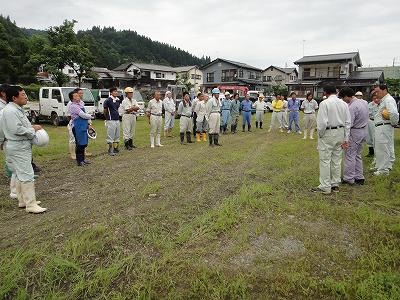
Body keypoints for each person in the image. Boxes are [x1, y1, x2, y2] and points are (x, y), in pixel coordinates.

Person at [0, 86, 47, 213]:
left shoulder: (16, 109)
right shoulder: (10, 111)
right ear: (14, 98)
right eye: (23, 94)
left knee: (20, 173)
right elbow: (17, 129)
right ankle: (31, 204)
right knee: (26, 174)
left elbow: (21, 126)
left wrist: (31, 126)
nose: (25, 96)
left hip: (20, 145)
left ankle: (23, 200)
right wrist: (33, 130)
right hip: (18, 146)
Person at [311, 85, 351, 194]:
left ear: (325, 93)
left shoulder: (324, 103)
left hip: (328, 132)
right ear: (336, 92)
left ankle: (325, 186)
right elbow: (348, 122)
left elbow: (322, 123)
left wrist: (320, 134)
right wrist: (346, 138)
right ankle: (335, 184)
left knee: (325, 160)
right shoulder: (344, 103)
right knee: (337, 160)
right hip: (340, 132)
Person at [339, 87, 369, 185]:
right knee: (357, 155)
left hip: (355, 132)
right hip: (363, 130)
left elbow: (349, 124)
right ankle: (359, 177)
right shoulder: (364, 102)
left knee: (350, 156)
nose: (343, 100)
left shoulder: (352, 107)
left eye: (343, 98)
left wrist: (345, 139)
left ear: (347, 96)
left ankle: (349, 178)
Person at [372, 84, 399, 176]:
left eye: (377, 91)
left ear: (384, 90)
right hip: (382, 126)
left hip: (384, 126)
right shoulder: (385, 100)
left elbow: (394, 113)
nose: (376, 94)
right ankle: (383, 166)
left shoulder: (388, 99)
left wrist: (394, 123)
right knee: (384, 147)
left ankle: (383, 170)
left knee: (383, 148)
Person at [68, 90, 94, 166]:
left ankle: (83, 159)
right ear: (72, 99)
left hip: (83, 126)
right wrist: (91, 116)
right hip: (77, 127)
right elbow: (82, 115)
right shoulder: (73, 106)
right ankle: (79, 161)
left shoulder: (80, 105)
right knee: (79, 144)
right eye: (75, 96)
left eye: (78, 95)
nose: (78, 97)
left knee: (83, 143)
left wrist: (88, 122)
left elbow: (84, 115)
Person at [0, 83, 17, 199]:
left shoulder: (7, 106)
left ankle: (16, 190)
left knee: (15, 166)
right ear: (3, 93)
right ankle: (14, 191)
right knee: (14, 166)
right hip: (7, 139)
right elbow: (1, 127)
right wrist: (0, 141)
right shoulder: (3, 108)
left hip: (11, 140)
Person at [103, 87, 121, 156]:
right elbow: (105, 110)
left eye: (116, 91)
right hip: (110, 120)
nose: (116, 92)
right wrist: (107, 117)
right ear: (111, 93)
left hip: (117, 119)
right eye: (114, 91)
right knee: (110, 135)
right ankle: (110, 150)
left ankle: (116, 148)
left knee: (117, 134)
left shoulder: (117, 100)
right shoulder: (108, 100)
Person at [366, 92, 380, 157]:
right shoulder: (370, 104)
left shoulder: (381, 105)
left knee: (376, 137)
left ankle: (377, 153)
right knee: (369, 137)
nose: (376, 100)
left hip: (377, 122)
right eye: (374, 98)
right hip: (370, 121)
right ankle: (371, 152)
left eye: (377, 98)